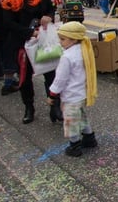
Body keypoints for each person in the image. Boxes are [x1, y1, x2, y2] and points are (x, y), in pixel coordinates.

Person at [1, 0, 58, 124]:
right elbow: (8, 23)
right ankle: (29, 107)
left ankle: (54, 106)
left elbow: (50, 9)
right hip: (22, 43)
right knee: (25, 78)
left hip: (42, 40)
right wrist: (29, 32)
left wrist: (49, 16)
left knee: (50, 73)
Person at [47, 22, 98, 157]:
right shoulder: (84, 49)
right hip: (82, 93)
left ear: (74, 39)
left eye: (63, 39)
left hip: (71, 95)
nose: (60, 42)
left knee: (71, 122)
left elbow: (60, 79)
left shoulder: (67, 57)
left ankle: (74, 146)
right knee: (81, 116)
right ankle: (89, 138)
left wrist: (52, 94)